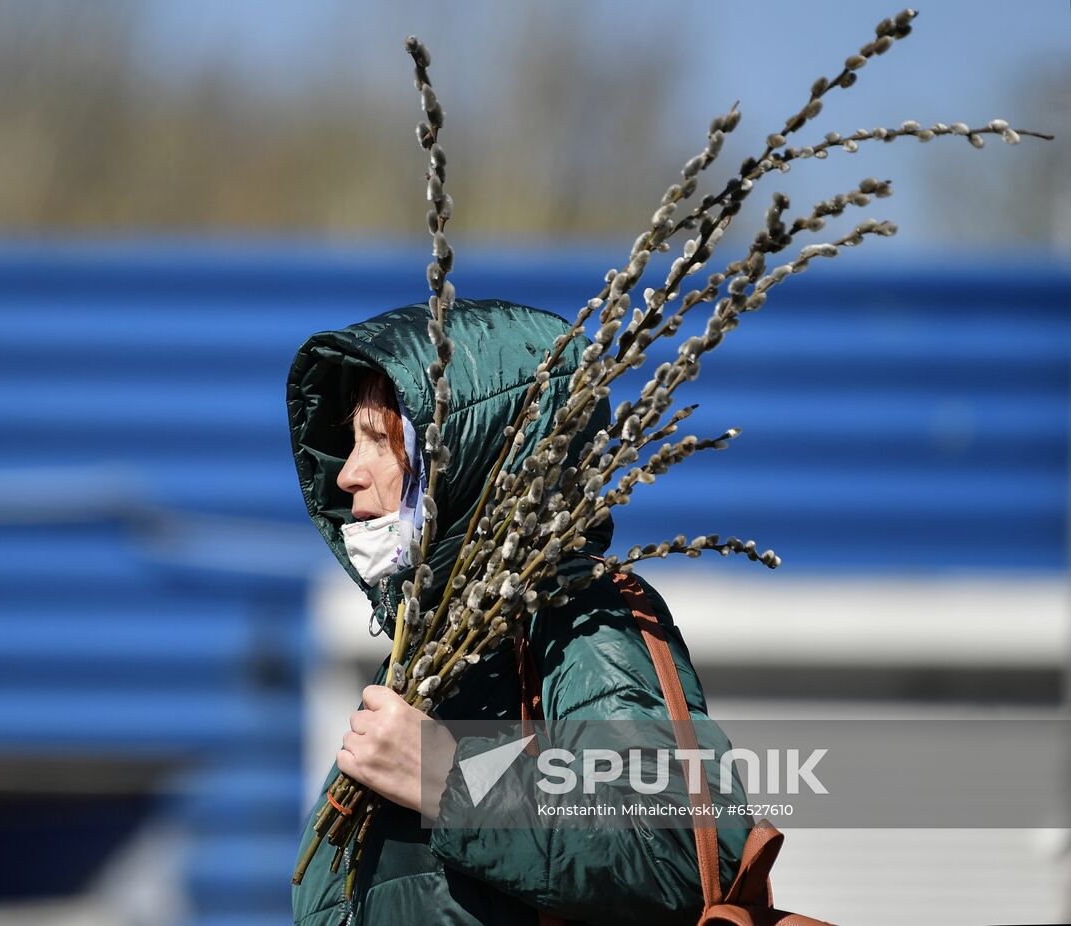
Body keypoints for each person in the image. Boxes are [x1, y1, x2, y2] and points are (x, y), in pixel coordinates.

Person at [287, 298, 751, 926]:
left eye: (379, 442)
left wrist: (448, 781)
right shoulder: (436, 658)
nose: (346, 474)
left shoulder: (577, 617)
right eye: (350, 442)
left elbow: (682, 845)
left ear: (465, 457)